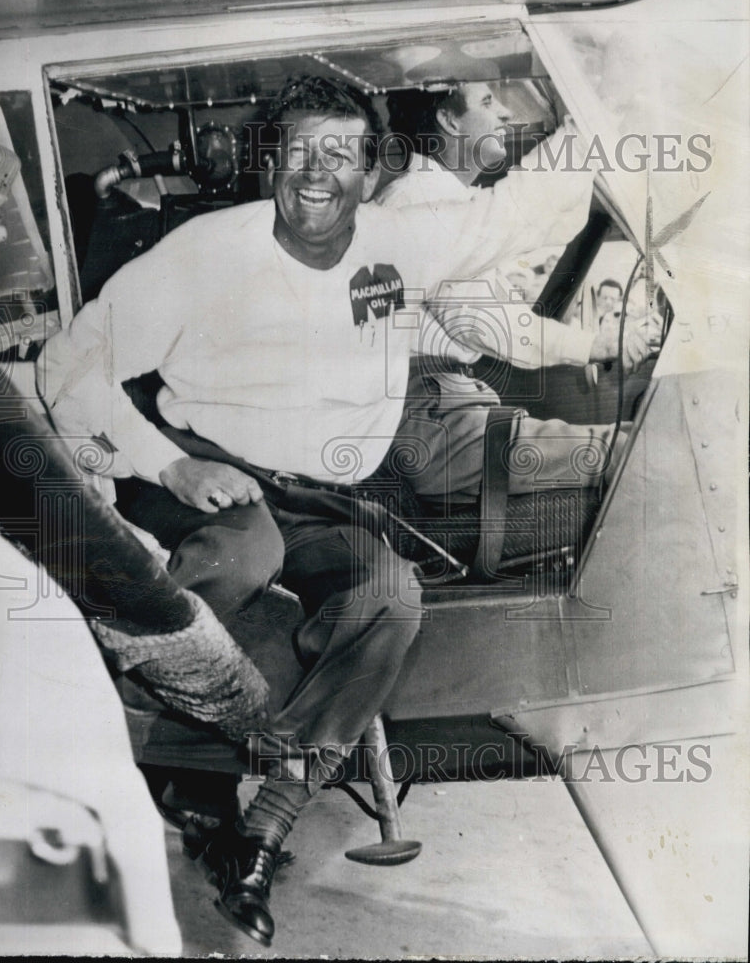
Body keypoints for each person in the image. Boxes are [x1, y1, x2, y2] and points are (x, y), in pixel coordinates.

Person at [37, 74, 593, 946]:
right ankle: (148, 743)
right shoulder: (204, 252)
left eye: (340, 154)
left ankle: (265, 826)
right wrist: (170, 465)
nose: (315, 172)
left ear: (371, 173)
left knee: (389, 597)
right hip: (206, 470)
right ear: (270, 162)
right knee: (242, 556)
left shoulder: (402, 241)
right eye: (297, 150)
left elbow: (514, 215)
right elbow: (68, 365)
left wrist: (604, 106)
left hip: (323, 499)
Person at [377, 80, 662, 504]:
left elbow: (543, 227)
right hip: (438, 428)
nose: (506, 112)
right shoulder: (416, 202)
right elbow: (488, 324)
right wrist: (595, 344)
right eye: (487, 101)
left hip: (449, 416)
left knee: (639, 440)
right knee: (639, 453)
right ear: (449, 119)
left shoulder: (440, 199)